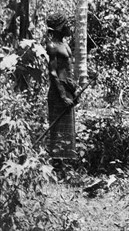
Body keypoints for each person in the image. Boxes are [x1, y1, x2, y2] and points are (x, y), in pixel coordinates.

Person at [46, 12, 77, 163]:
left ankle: (64, 164)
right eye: (66, 24)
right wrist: (63, 96)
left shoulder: (64, 44)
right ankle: (56, 166)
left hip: (67, 89)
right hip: (59, 93)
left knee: (68, 130)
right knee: (58, 129)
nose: (69, 27)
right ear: (59, 28)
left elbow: (67, 69)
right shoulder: (52, 46)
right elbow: (53, 73)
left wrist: (72, 90)